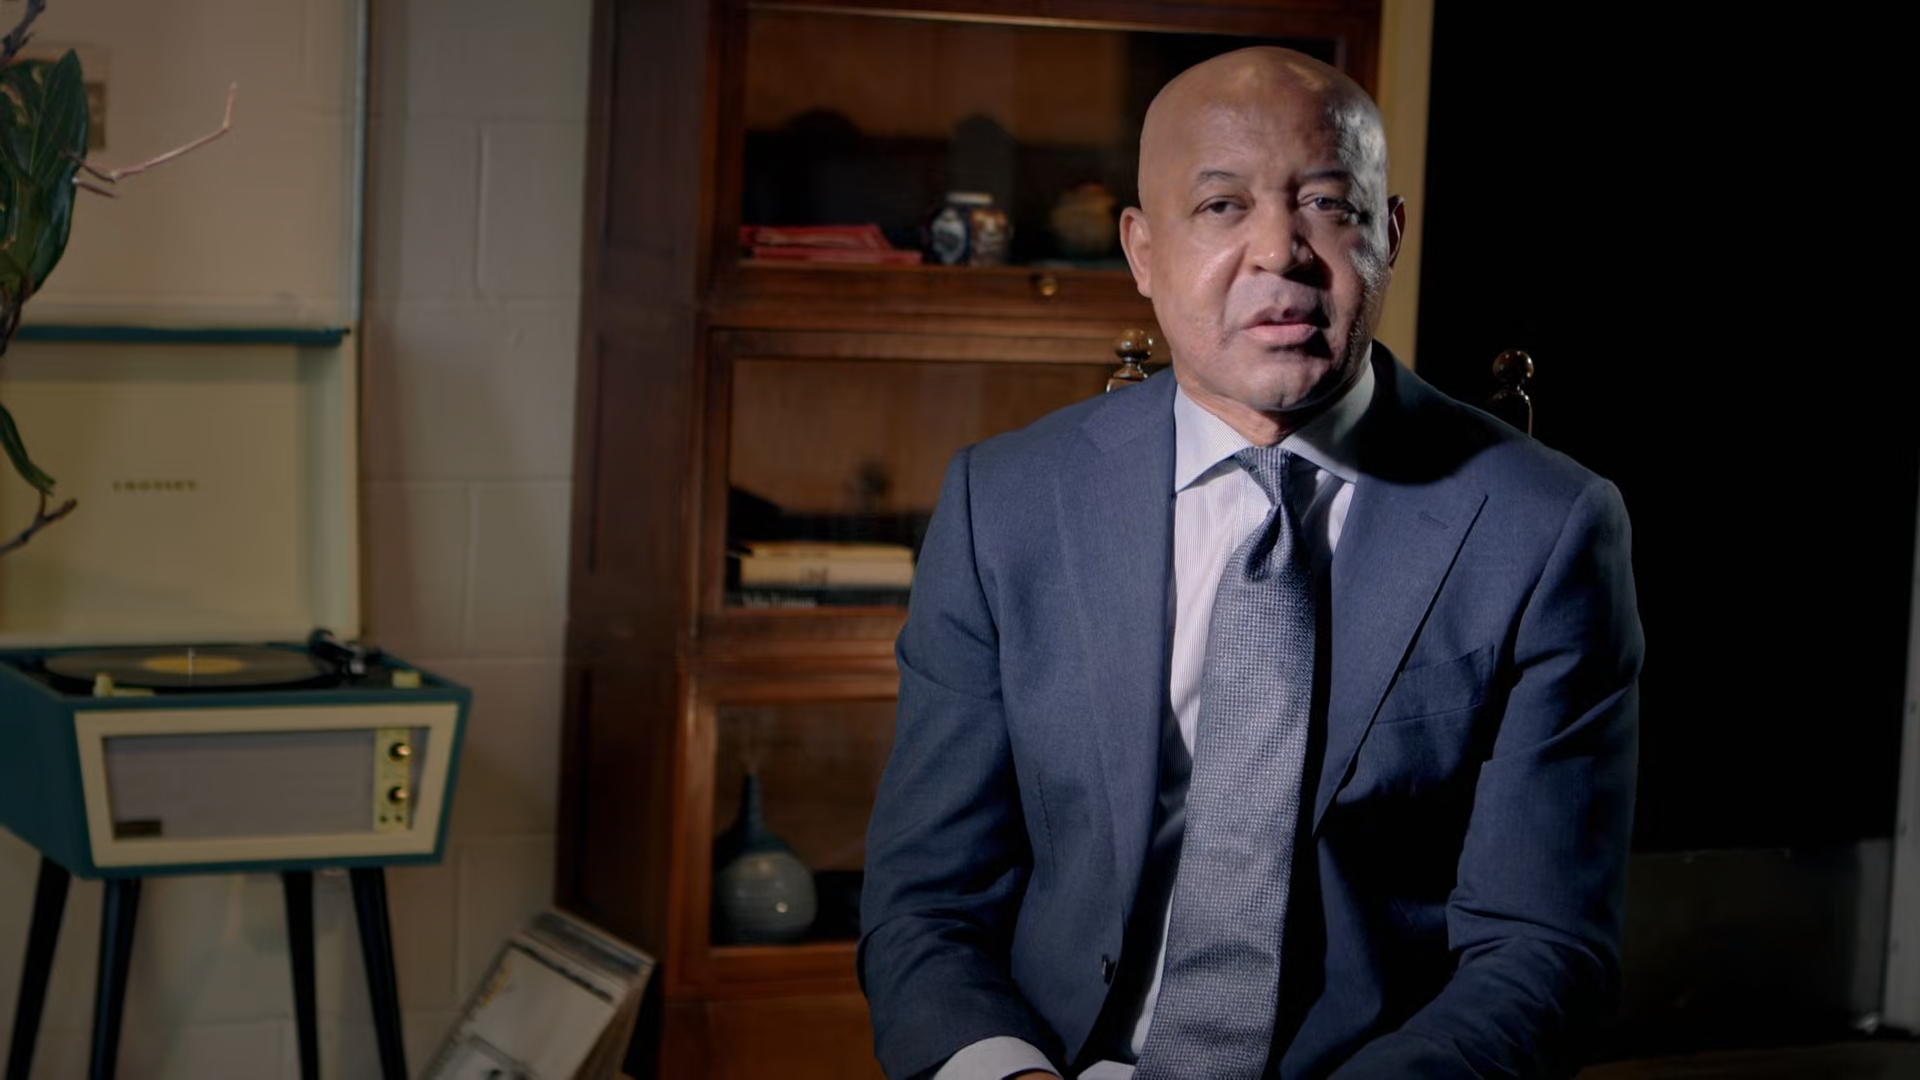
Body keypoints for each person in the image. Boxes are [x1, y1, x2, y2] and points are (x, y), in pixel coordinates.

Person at [859, 45, 1642, 1080]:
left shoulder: (1545, 528)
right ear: (1143, 252)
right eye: (1222, 206)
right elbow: (928, 900)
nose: (1281, 251)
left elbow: (1542, 949)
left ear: (1389, 236)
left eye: (1328, 205)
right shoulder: (1004, 504)